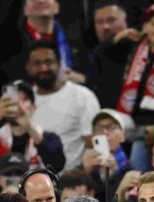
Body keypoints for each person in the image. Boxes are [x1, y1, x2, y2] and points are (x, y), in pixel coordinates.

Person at [0, 80, 65, 199]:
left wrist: (29, 129)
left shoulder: (49, 138)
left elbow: (58, 164)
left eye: (24, 99)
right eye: (12, 99)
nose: (18, 104)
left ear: (33, 108)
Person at [26, 40, 100, 170]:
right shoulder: (24, 101)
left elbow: (95, 144)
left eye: (48, 62)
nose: (44, 68)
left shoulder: (82, 96)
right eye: (37, 63)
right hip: (32, 181)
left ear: (59, 64)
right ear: (28, 67)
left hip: (73, 179)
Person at [81, 109, 130, 202]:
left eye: (111, 127)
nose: (105, 132)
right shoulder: (85, 164)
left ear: (122, 136)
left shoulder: (132, 169)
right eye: (99, 128)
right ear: (93, 137)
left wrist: (113, 176)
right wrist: (85, 173)